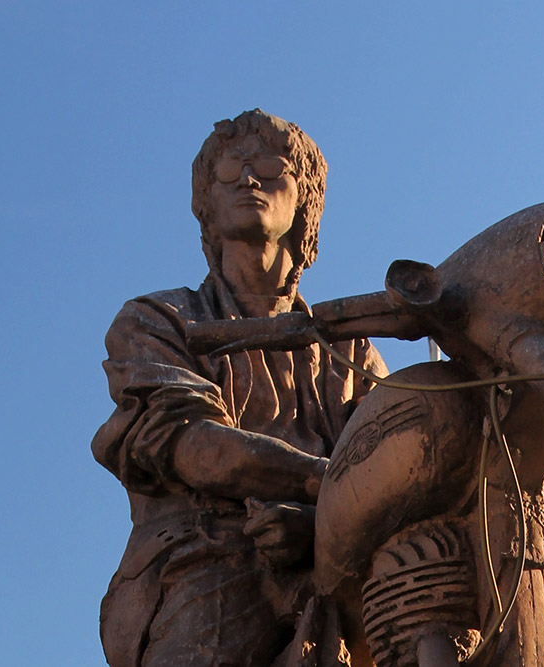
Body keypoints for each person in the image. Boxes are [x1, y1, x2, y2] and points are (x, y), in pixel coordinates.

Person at [92, 109, 386, 667]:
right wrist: (335, 489)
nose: (249, 179)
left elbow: (395, 468)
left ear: (306, 201)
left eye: (273, 166)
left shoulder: (355, 355)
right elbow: (194, 445)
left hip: (339, 570)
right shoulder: (159, 320)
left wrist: (320, 526)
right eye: (230, 169)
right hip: (208, 561)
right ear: (206, 205)